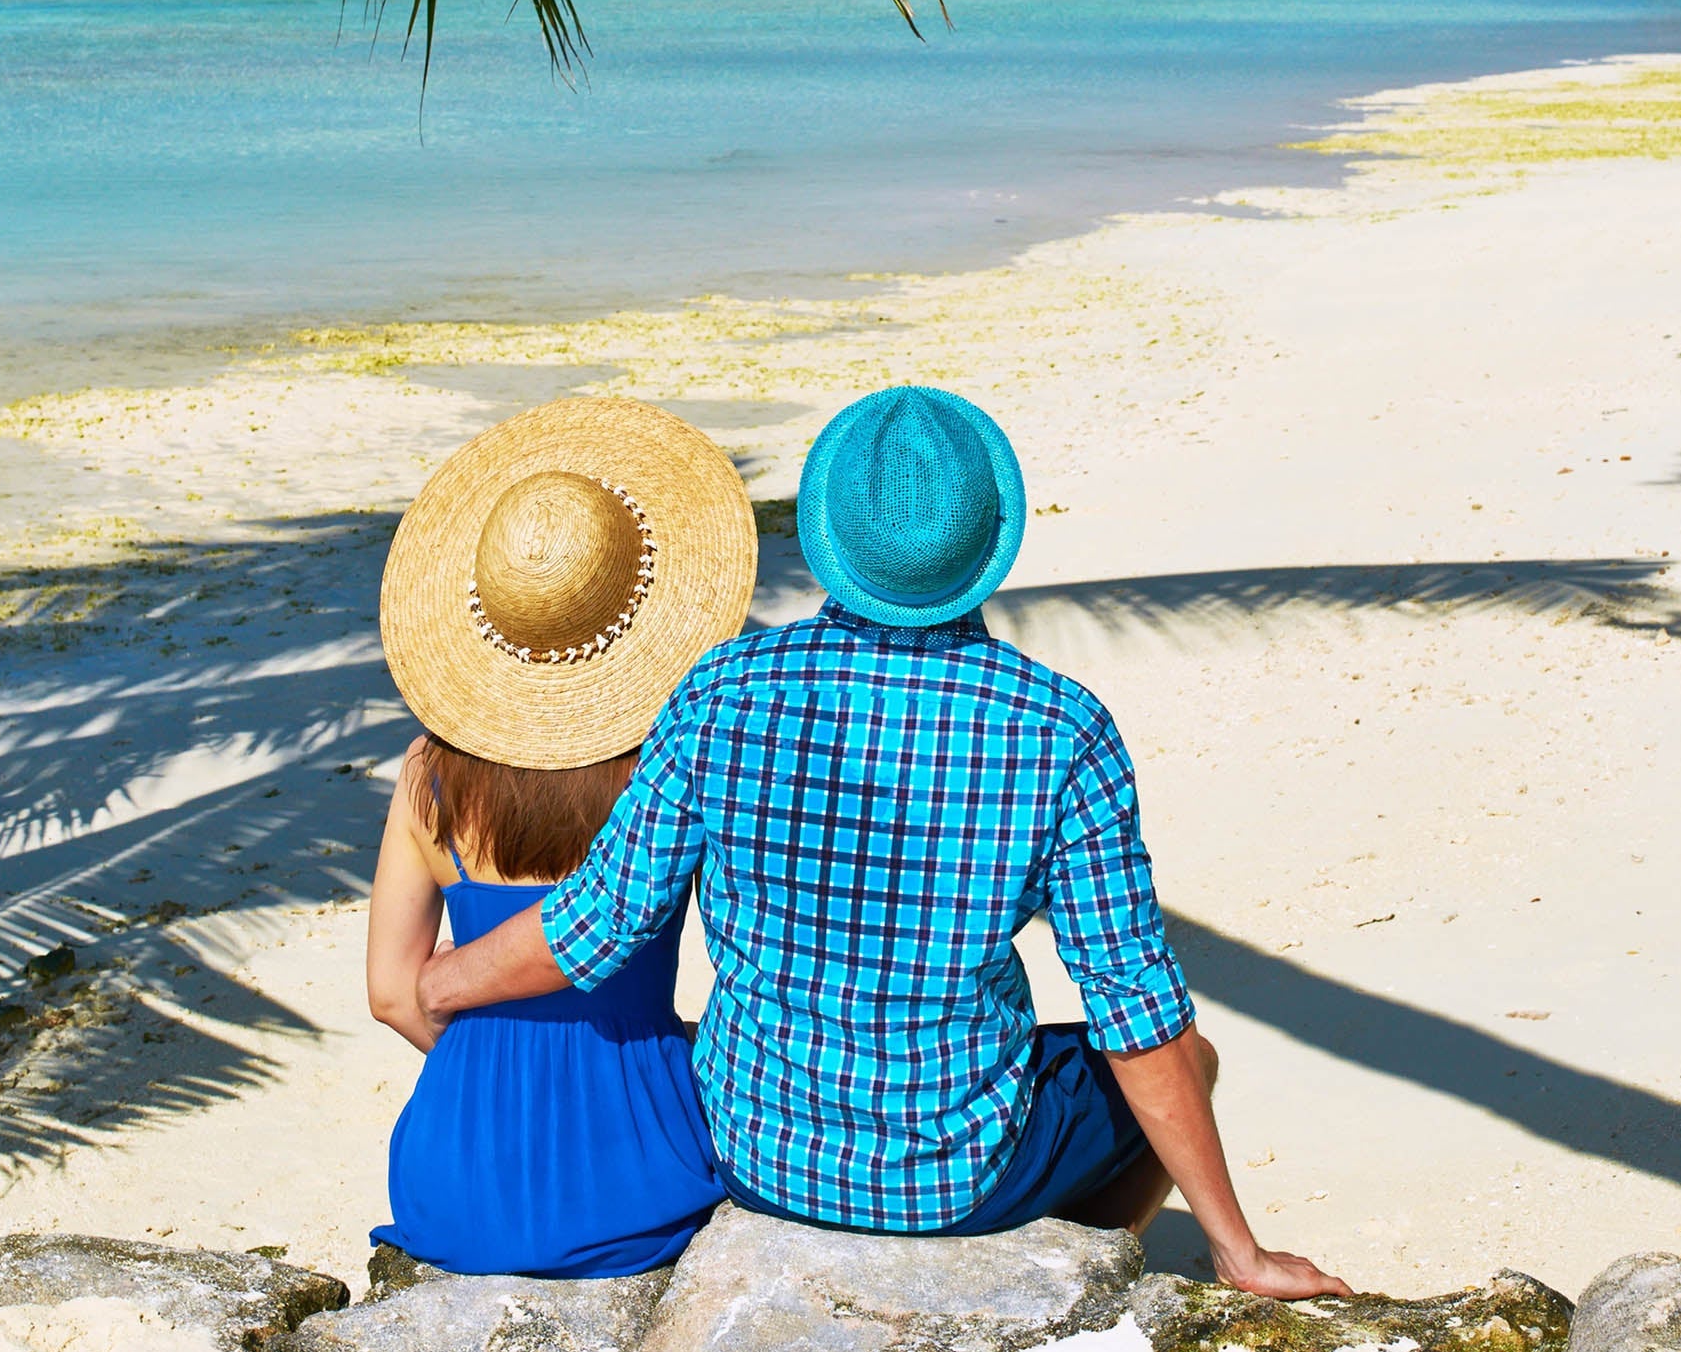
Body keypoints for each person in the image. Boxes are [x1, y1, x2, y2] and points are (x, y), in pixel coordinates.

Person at [411, 384, 1349, 1301]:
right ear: (988, 546)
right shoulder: (1062, 728)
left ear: (828, 544)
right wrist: (1239, 1249)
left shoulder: (722, 689)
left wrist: (442, 983)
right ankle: (1082, 1274)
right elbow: (1135, 1011)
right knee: (1195, 1061)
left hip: (756, 1151)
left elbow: (600, 920)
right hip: (956, 1178)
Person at [362, 396, 760, 1278]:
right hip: (639, 1165)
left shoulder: (429, 775)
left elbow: (393, 995)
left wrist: (493, 1064)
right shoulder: (669, 763)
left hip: (453, 1176)